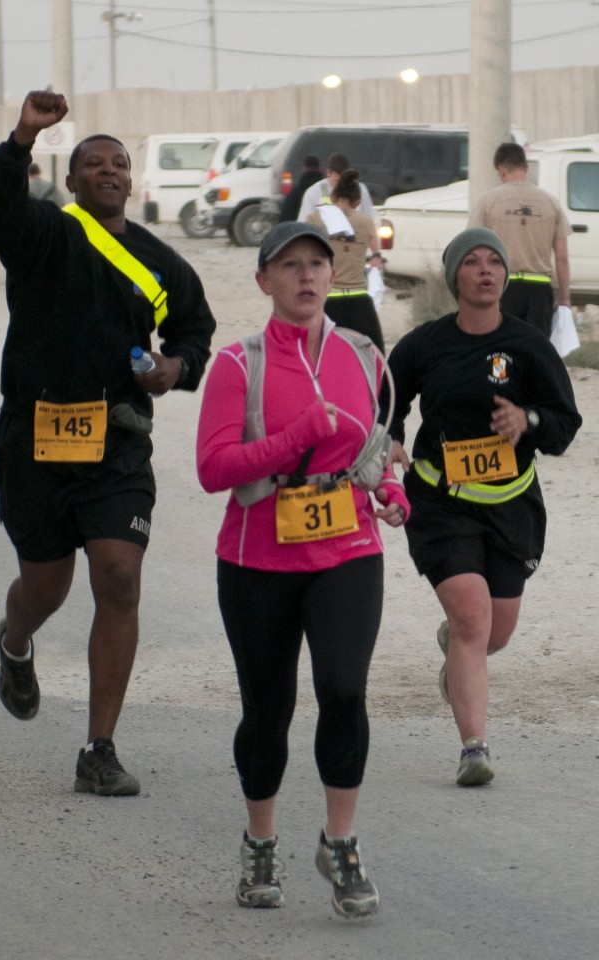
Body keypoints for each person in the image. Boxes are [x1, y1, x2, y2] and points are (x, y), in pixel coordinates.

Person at [0, 90, 216, 796]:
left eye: (119, 163)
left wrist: (176, 368)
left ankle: (98, 749)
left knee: (119, 576)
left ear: (131, 182)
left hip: (115, 444)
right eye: (93, 163)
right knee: (45, 589)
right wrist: (23, 136)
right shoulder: (45, 234)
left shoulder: (159, 264)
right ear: (73, 180)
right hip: (35, 438)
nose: (109, 171)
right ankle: (14, 642)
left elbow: (194, 333)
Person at [196, 220, 410, 917]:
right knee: (269, 709)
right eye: (290, 265)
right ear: (264, 280)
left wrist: (391, 491)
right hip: (257, 556)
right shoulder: (238, 363)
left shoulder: (365, 355)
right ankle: (261, 841)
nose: (307, 275)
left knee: (344, 690)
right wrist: (294, 438)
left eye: (318, 263)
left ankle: (340, 842)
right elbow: (213, 469)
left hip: (348, 551)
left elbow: (377, 449)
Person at [383, 227, 581, 787]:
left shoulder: (528, 345)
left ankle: (457, 649)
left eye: (494, 261)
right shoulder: (425, 344)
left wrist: (530, 421)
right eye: (472, 262)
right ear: (454, 278)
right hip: (441, 502)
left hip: (512, 504)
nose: (486, 270)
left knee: (494, 632)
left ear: (505, 276)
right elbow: (387, 403)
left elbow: (565, 424)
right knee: (472, 616)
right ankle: (474, 748)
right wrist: (391, 437)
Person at [468, 142, 572, 337]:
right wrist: (565, 297)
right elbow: (562, 257)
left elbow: (473, 249)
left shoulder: (486, 202)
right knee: (536, 351)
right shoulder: (551, 203)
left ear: (501, 170)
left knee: (501, 348)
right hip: (540, 290)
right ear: (525, 167)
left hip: (501, 287)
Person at [306, 167, 385, 353]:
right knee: (374, 353)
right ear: (357, 201)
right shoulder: (365, 222)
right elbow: (376, 254)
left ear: (333, 198)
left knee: (320, 354)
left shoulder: (316, 219)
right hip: (359, 300)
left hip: (327, 299)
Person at [298, 152, 375, 221]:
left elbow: (370, 218)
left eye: (346, 180)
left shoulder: (361, 189)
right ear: (328, 173)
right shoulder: (314, 192)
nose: (342, 185)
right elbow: (303, 223)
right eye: (338, 180)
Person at [278, 154, 323, 222]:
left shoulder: (294, 193)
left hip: (300, 229)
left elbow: (285, 218)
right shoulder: (326, 189)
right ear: (319, 168)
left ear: (304, 169)